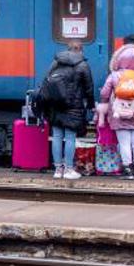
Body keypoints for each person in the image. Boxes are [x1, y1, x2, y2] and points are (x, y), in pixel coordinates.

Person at [41, 41, 95, 180]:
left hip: (56, 105)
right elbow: (89, 87)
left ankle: (58, 170)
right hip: (73, 105)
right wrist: (90, 104)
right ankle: (69, 169)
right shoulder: (83, 65)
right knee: (70, 137)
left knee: (57, 136)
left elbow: (46, 81)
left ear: (68, 49)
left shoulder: (56, 62)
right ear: (81, 51)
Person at [100, 43, 134, 180]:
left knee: (124, 143)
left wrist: (105, 104)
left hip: (119, 114)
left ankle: (127, 170)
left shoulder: (114, 76)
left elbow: (104, 93)